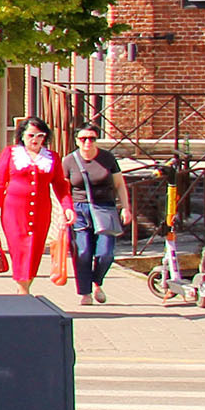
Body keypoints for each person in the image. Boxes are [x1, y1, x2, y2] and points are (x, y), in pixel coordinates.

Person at [0, 116, 72, 296]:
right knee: (20, 248)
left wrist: (67, 207)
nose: (35, 139)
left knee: (35, 248)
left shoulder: (52, 157)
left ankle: (25, 287)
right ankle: (23, 290)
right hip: (14, 211)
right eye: (31, 135)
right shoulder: (11, 154)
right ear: (23, 136)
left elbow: (60, 185)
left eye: (40, 136)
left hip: (41, 211)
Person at [61, 124, 136, 305]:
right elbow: (63, 190)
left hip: (105, 208)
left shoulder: (107, 158)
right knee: (83, 252)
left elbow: (119, 184)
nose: (88, 142)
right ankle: (85, 292)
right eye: (83, 139)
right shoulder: (69, 161)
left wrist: (126, 208)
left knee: (106, 252)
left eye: (92, 138)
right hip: (79, 210)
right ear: (77, 141)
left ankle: (97, 281)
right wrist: (64, 211)